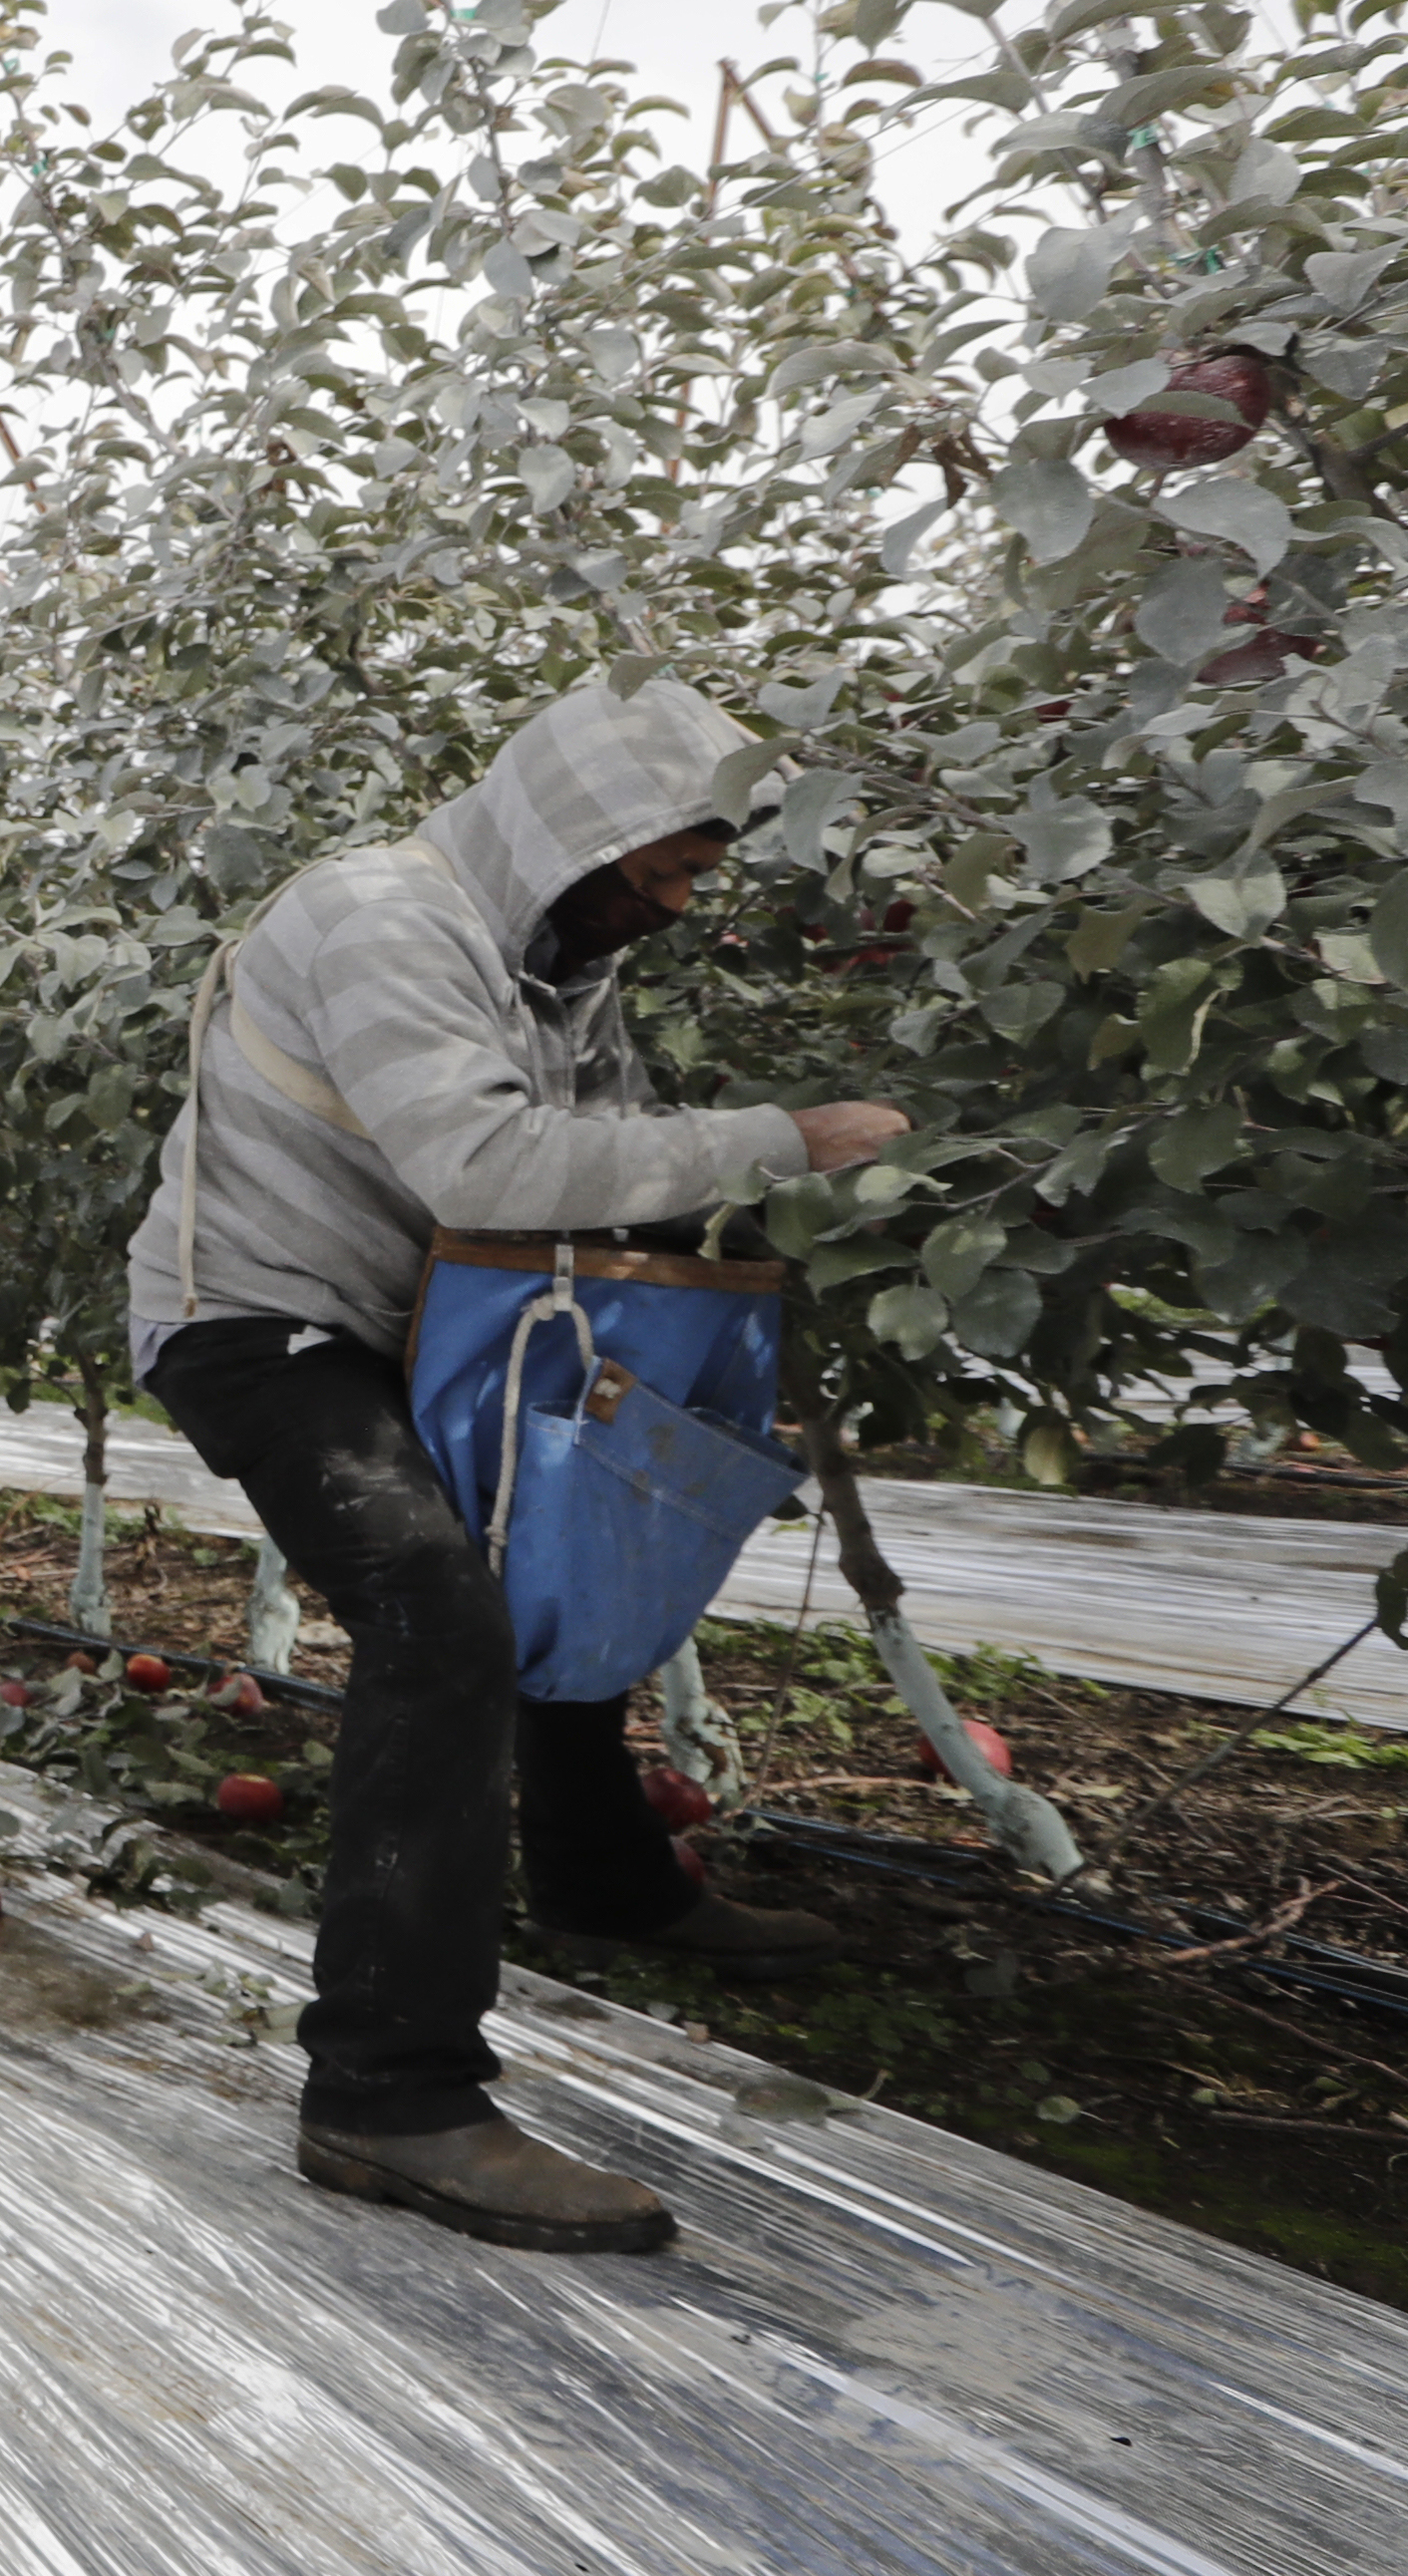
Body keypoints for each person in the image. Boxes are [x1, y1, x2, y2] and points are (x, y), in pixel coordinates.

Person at [126, 673, 909, 2259]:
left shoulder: (559, 966)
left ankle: (606, 1878)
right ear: (579, 837)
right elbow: (485, 1163)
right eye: (668, 867)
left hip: (427, 1322)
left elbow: (600, 1166)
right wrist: (783, 1138)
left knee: (553, 1541)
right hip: (262, 1320)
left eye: (698, 870)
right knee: (437, 1602)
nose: (682, 901)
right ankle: (387, 2095)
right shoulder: (386, 919)